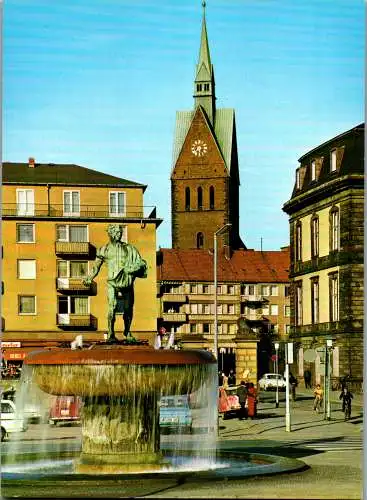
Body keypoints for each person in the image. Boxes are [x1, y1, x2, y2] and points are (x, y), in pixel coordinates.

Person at [83, 224, 147, 343]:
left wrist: (135, 267)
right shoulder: (104, 250)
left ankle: (127, 332)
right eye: (116, 233)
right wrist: (89, 277)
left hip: (127, 282)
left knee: (128, 309)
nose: (119, 235)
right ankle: (111, 333)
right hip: (112, 283)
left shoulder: (129, 249)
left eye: (120, 232)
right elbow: (96, 267)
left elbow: (141, 263)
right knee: (111, 307)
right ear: (110, 234)